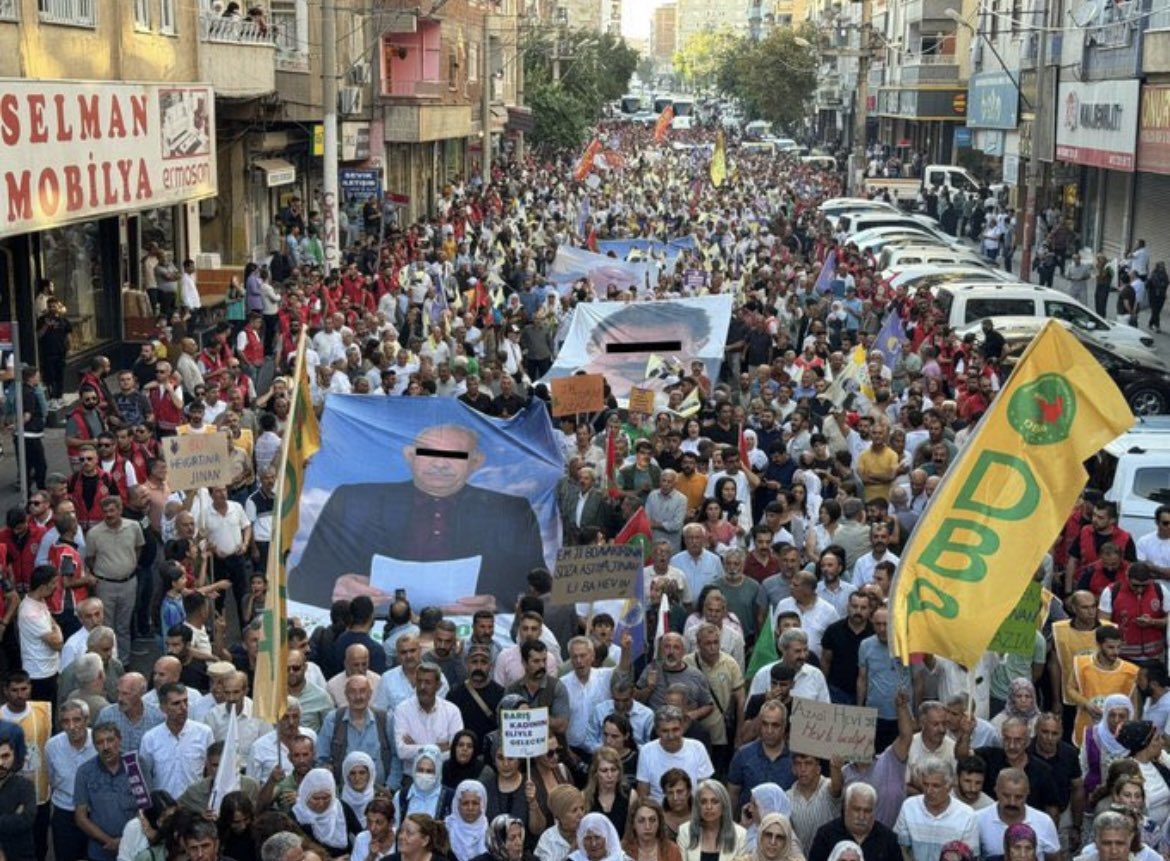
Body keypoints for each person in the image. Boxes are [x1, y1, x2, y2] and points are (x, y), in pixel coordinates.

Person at [291, 424, 545, 609]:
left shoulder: (511, 513)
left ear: (476, 462)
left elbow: (537, 588)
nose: (441, 463)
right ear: (409, 457)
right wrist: (335, 588)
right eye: (429, 453)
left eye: (455, 456)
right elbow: (302, 582)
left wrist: (497, 604)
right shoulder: (353, 502)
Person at [677, 780, 747, 861]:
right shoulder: (685, 831)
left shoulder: (740, 835)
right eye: (703, 802)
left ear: (724, 805)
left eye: (715, 802)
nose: (709, 807)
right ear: (697, 806)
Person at [292, 767, 353, 855]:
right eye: (316, 798)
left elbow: (360, 832)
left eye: (326, 798)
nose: (321, 803)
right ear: (306, 796)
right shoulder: (296, 815)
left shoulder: (340, 808)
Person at [446, 780, 490, 861]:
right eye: (465, 803)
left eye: (475, 803)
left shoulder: (490, 832)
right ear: (458, 805)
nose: (470, 808)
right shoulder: (446, 829)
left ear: (482, 805)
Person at [352, 796, 398, 861]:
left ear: (390, 823)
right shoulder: (361, 839)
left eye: (379, 823)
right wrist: (371, 856)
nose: (372, 828)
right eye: (369, 822)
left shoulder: (402, 839)